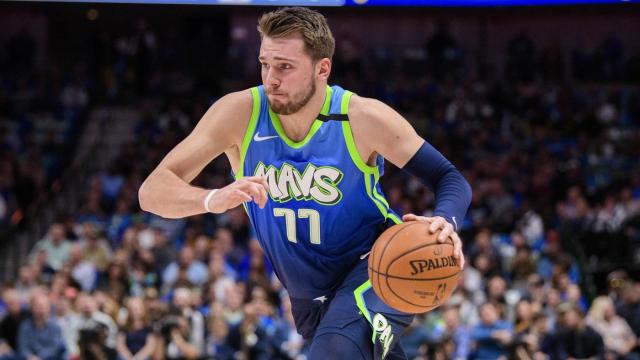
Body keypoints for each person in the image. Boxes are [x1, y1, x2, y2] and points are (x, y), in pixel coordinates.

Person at [139, 7, 471, 359]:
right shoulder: (238, 113)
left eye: (285, 66)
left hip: (376, 267)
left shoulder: (362, 117)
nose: (271, 78)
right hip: (306, 295)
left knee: (332, 351)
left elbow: (449, 178)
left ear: (322, 68)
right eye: (265, 64)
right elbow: (151, 192)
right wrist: (211, 200)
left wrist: (445, 221)